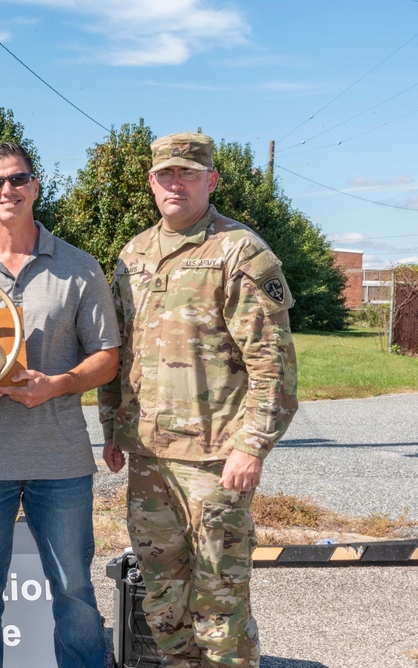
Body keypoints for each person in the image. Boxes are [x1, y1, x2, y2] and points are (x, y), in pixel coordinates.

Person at [99, 132, 298, 668]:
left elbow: (273, 363)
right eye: (166, 174)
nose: (176, 183)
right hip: (147, 458)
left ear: (210, 180)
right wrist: (111, 427)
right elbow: (119, 347)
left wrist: (251, 447)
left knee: (219, 603)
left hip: (215, 459)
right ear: (152, 183)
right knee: (163, 600)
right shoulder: (133, 255)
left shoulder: (241, 251)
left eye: (188, 174)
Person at [0, 141, 120, 667]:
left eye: (17, 179)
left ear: (35, 186)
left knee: (75, 592)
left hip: (60, 462)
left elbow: (108, 358)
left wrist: (55, 385)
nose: (7, 190)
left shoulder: (80, 269)